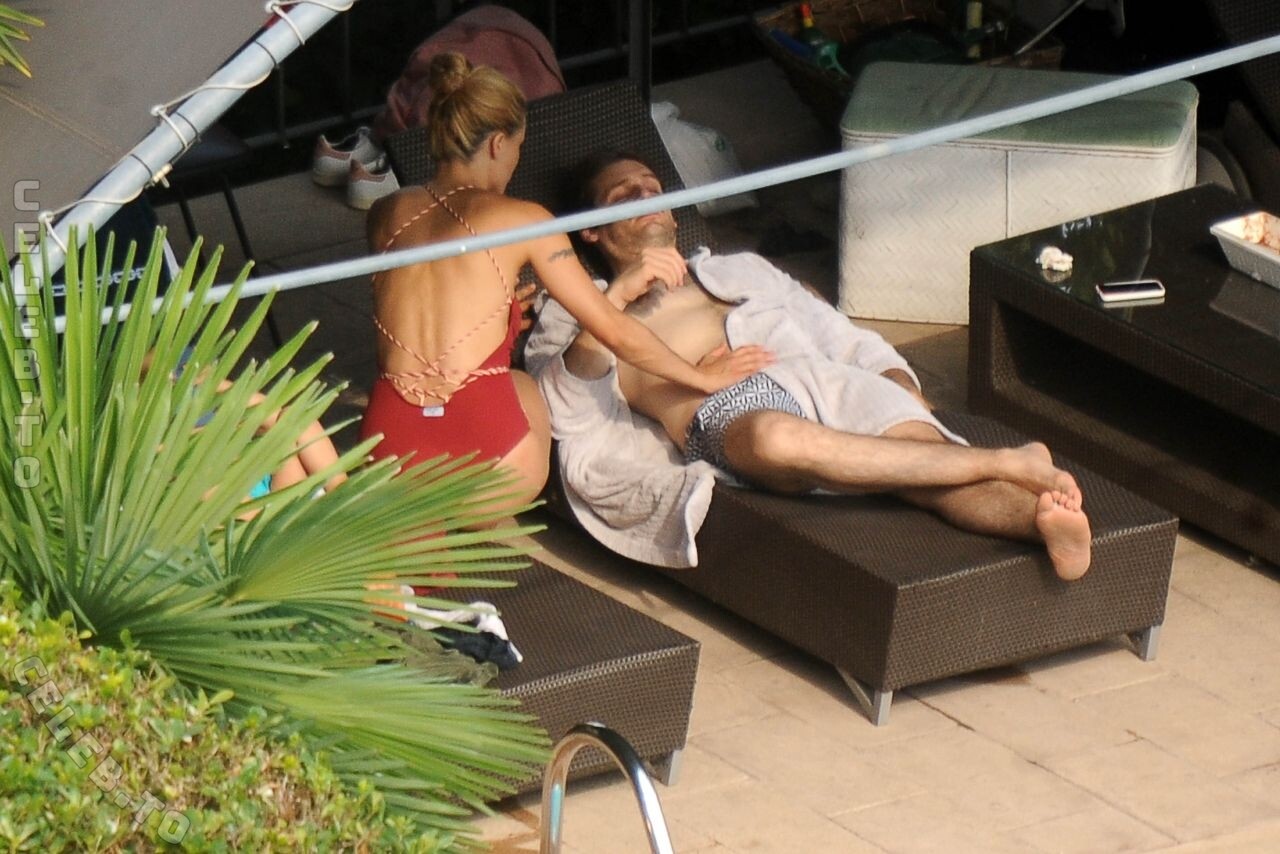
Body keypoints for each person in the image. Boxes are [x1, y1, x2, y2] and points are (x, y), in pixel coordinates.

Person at [525, 151, 1092, 580]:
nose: (646, 194)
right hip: (730, 409)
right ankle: (1008, 460)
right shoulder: (571, 311)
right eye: (624, 194)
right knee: (776, 439)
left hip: (823, 377)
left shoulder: (740, 269)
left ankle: (1037, 522)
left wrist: (896, 382)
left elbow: (836, 332)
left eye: (653, 187)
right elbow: (566, 411)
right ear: (591, 230)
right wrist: (616, 297)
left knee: (930, 473)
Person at [359, 54, 770, 519]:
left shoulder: (385, 213)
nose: (514, 164)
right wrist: (702, 378)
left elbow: (416, 306)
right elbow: (613, 329)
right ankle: (467, 515)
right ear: (497, 144)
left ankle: (416, 519)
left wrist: (500, 311)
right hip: (490, 462)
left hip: (390, 451)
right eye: (517, 149)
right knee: (521, 382)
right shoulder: (525, 221)